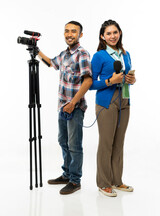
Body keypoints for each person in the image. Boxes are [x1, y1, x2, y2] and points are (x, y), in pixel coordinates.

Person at [37, 21, 92, 195]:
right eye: (67, 31)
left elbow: (88, 80)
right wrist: (36, 51)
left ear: (80, 35)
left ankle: (75, 181)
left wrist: (73, 103)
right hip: (62, 106)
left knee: (74, 145)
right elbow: (52, 63)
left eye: (73, 31)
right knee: (63, 141)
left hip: (74, 108)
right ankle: (67, 174)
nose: (69, 34)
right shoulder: (65, 54)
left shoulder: (82, 54)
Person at [90, 19, 136, 197]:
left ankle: (117, 180)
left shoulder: (126, 54)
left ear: (120, 33)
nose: (112, 36)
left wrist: (131, 79)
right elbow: (90, 83)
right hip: (106, 102)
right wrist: (110, 81)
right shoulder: (99, 56)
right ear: (102, 36)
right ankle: (103, 183)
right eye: (108, 33)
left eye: (115, 32)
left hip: (124, 99)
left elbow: (127, 75)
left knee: (119, 142)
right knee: (106, 143)